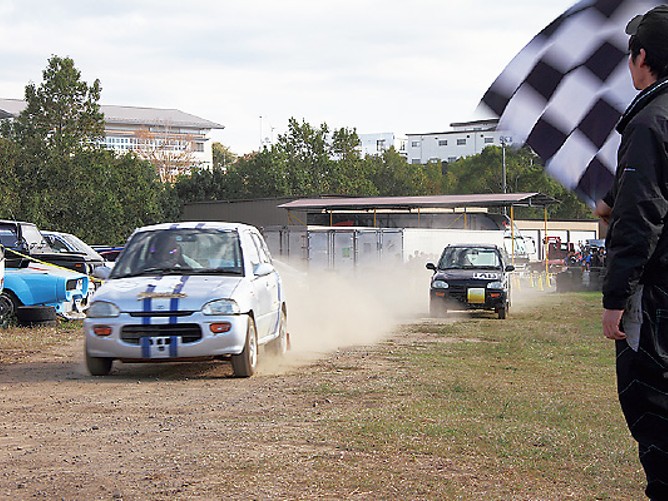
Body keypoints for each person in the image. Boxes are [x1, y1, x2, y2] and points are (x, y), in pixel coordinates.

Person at [594, 6, 668, 499]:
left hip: (658, 304)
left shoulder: (649, 121)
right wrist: (618, 196)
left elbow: (642, 217)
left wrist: (615, 298)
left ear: (642, 58)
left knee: (656, 420)